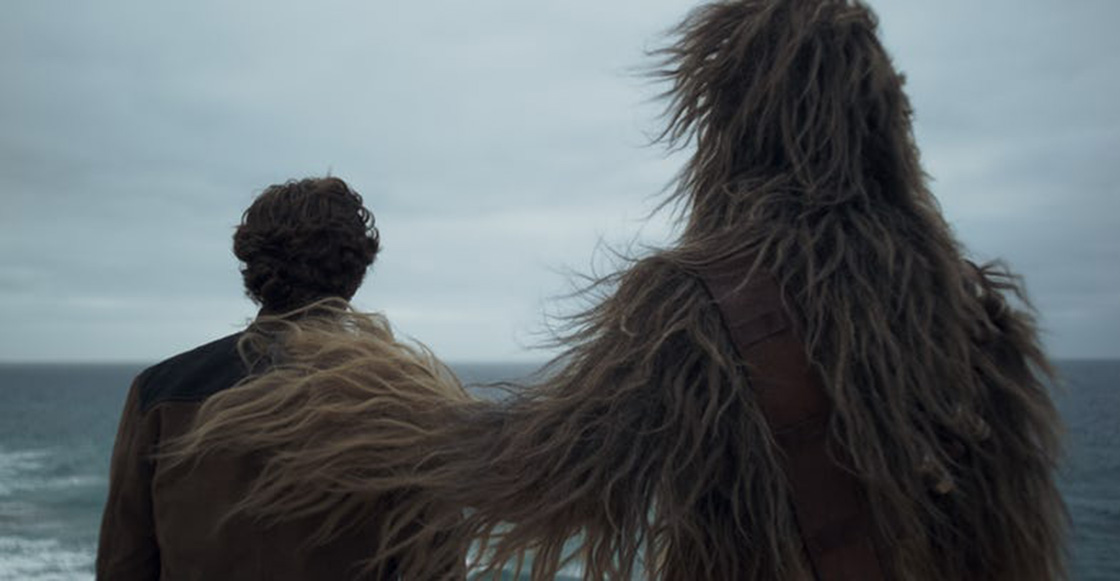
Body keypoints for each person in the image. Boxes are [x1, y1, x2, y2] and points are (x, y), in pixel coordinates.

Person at [166, 2, 1068, 580]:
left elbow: (532, 470)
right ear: (882, 121)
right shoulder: (976, 314)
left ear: (728, 122)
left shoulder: (705, 300)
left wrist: (357, 378)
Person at [95, 177, 466, 580]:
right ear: (356, 272)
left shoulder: (159, 393)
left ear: (252, 267)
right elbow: (437, 571)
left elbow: (123, 566)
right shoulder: (407, 403)